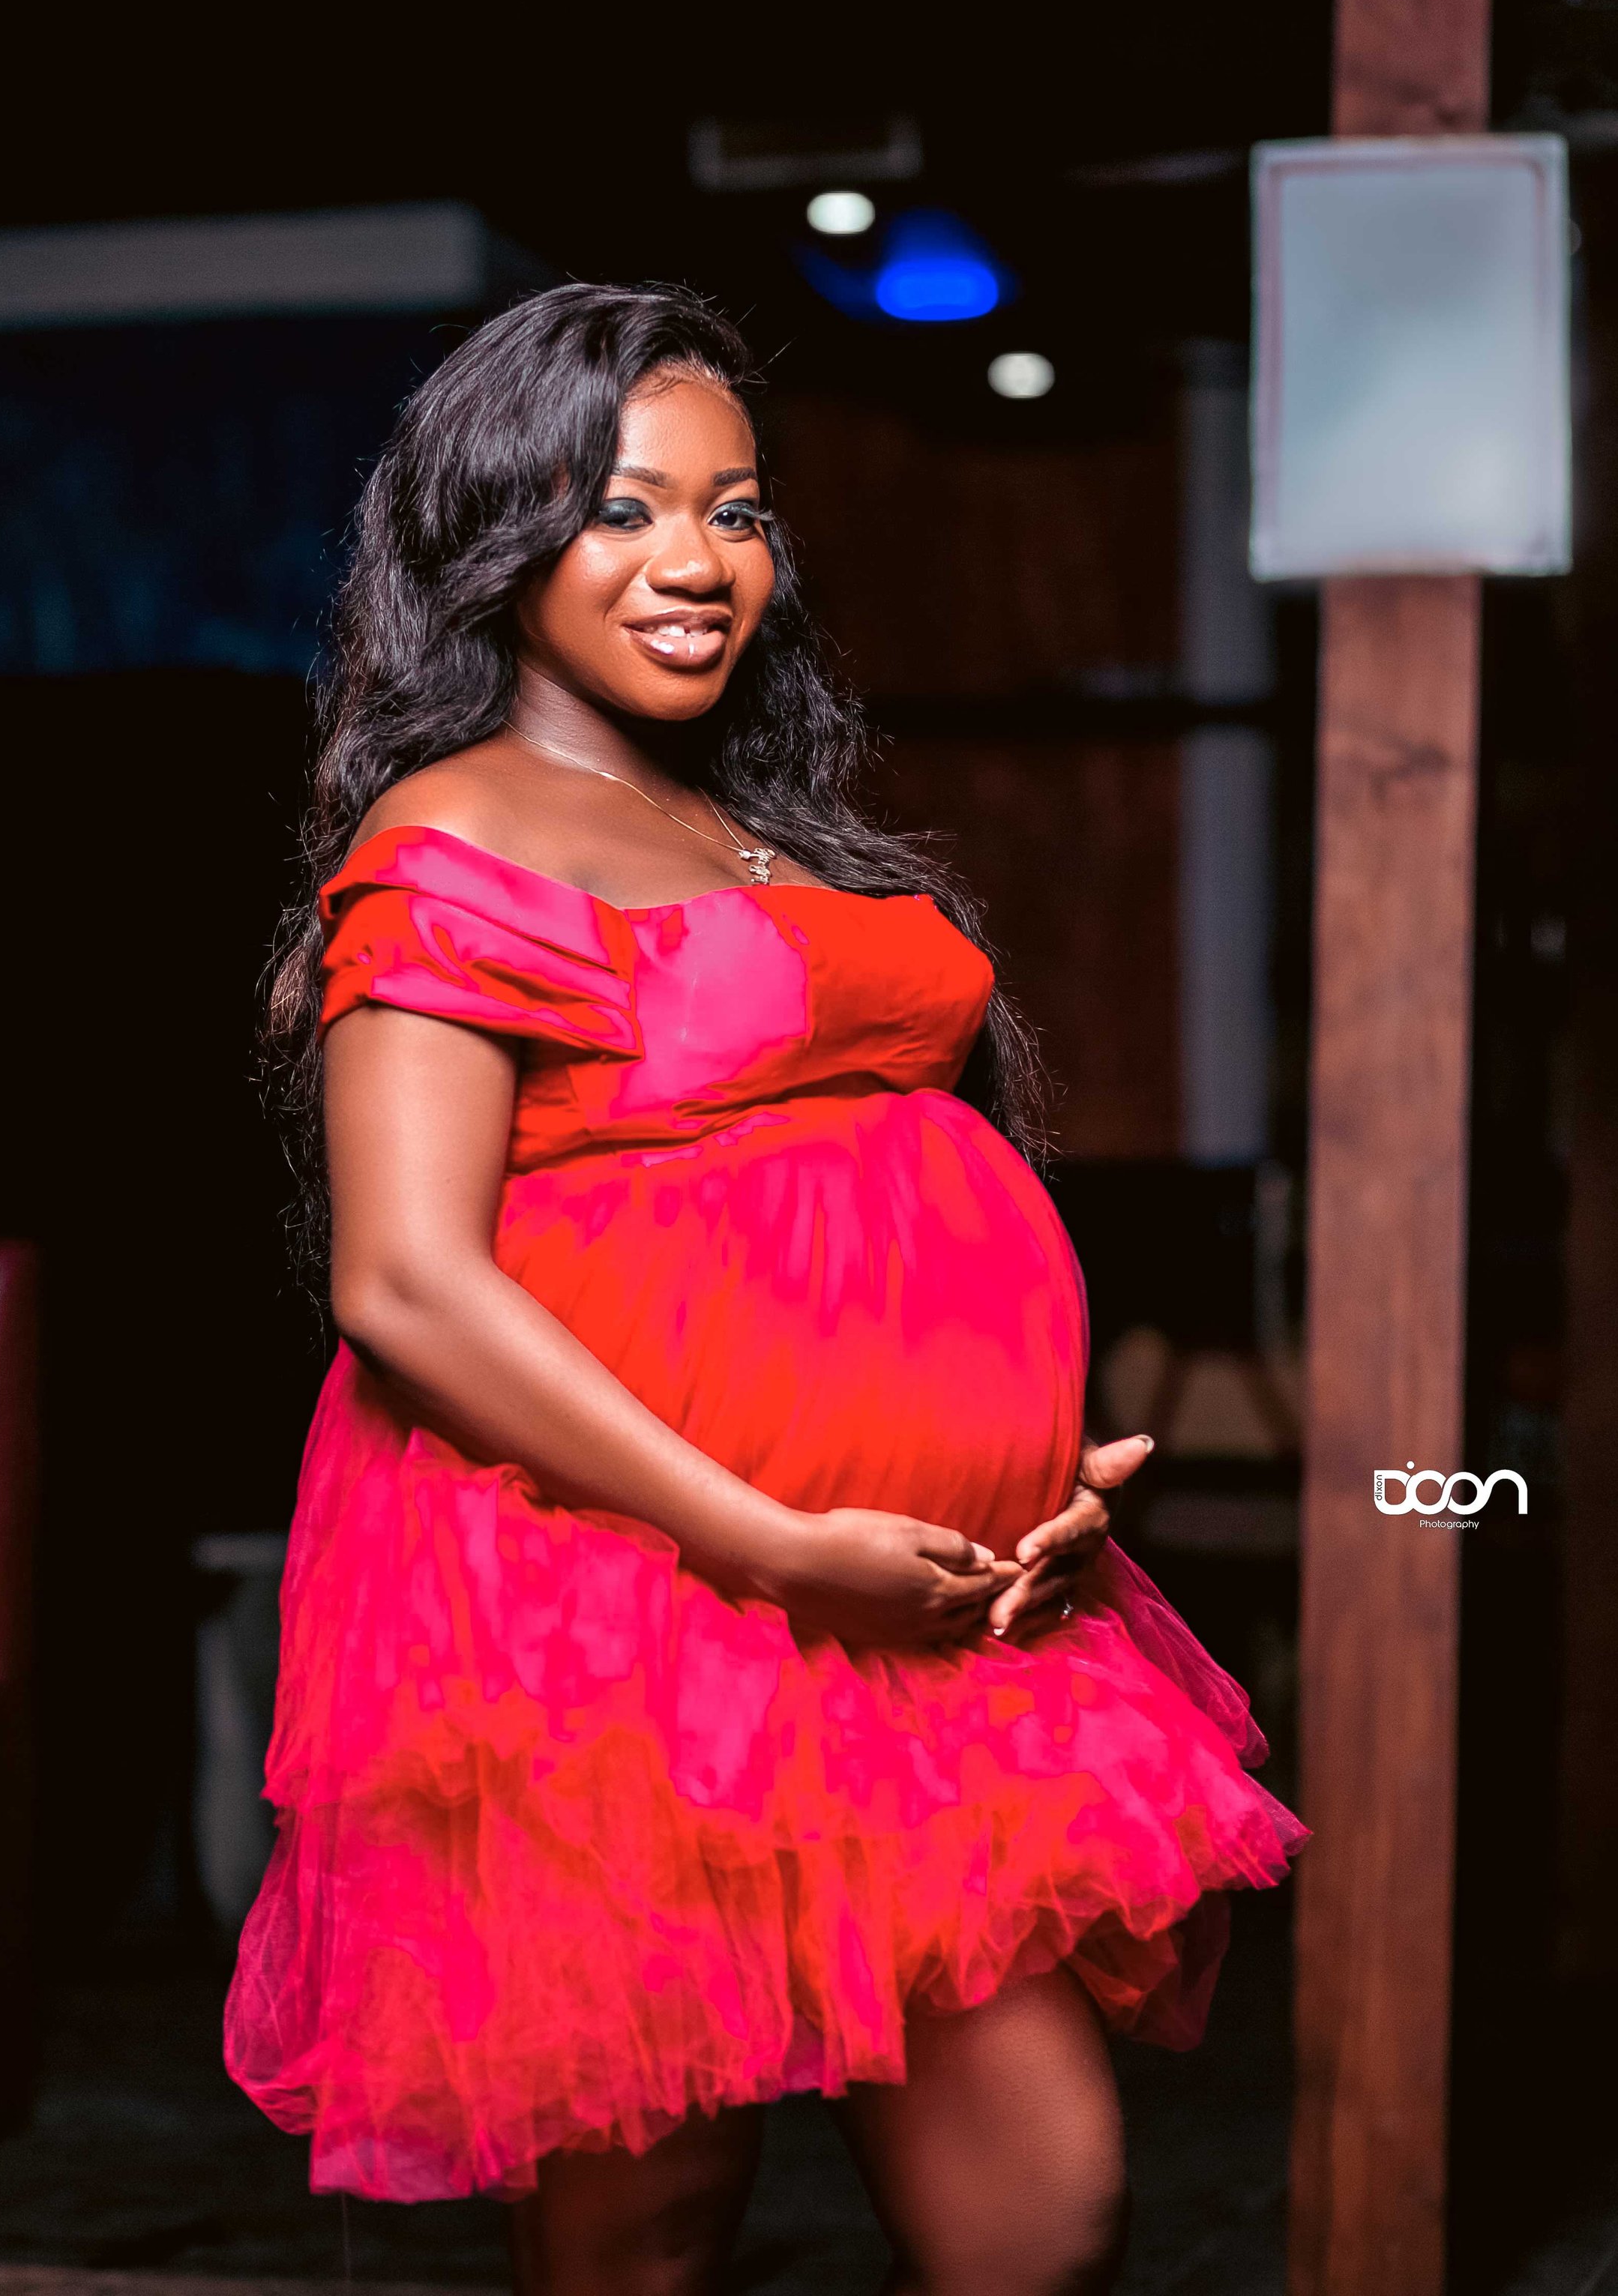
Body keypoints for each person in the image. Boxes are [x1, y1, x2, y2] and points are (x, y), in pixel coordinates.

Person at [226, 284, 1306, 2296]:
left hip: (919, 1615)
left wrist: (1029, 1482)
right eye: (623, 511)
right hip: (617, 1600)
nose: (697, 563)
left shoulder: (748, 825)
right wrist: (760, 1536)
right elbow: (401, 1279)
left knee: (1042, 2212)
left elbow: (847, 1201)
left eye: (735, 511)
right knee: (645, 2232)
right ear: (494, 532)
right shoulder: (448, 833)